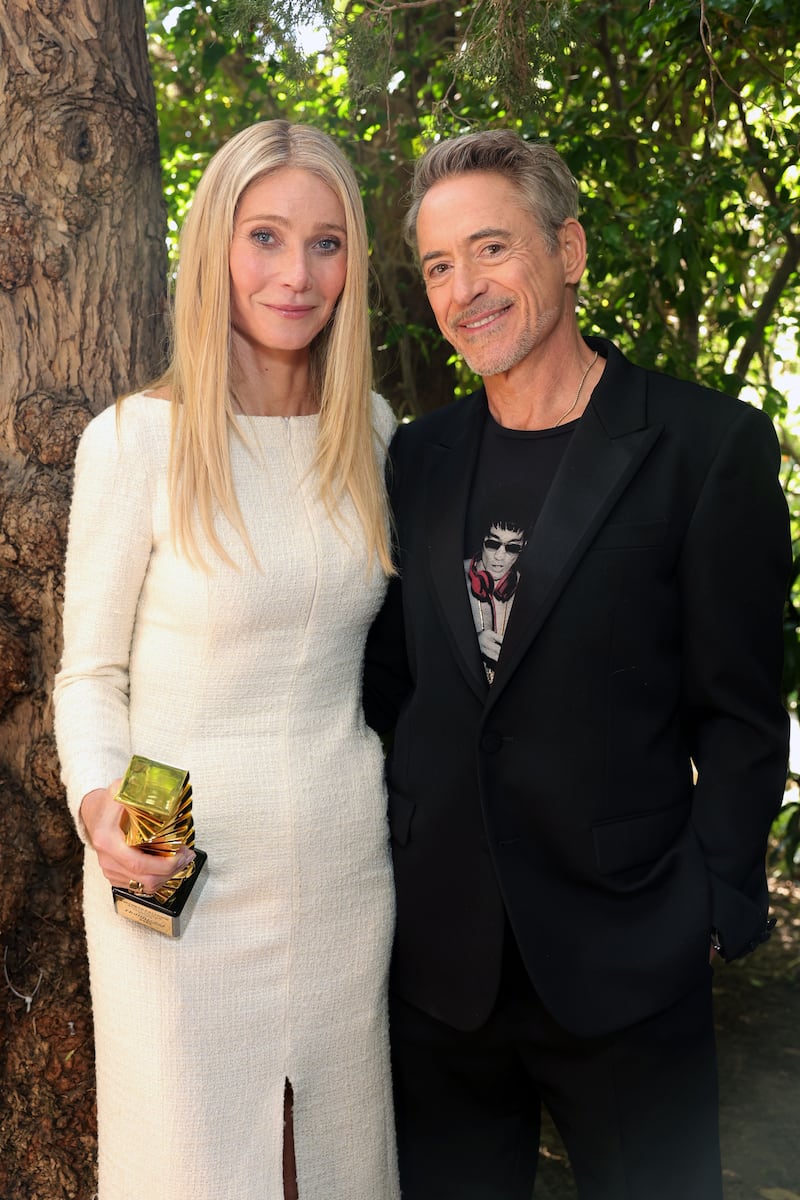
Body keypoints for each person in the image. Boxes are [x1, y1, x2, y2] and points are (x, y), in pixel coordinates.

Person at [364, 128, 790, 1200]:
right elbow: (394, 685)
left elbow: (739, 715)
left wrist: (706, 906)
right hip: (437, 974)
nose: (465, 290)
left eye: (492, 249)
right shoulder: (412, 459)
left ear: (569, 250)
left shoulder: (703, 447)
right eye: (438, 265)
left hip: (628, 966)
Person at [54, 120, 400, 1200]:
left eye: (327, 243)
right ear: (213, 246)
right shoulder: (133, 440)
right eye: (265, 237)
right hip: (175, 867)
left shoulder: (377, 433)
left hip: (345, 870)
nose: (296, 274)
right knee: (195, 1170)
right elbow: (90, 676)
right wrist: (103, 806)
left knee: (331, 1172)